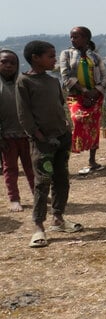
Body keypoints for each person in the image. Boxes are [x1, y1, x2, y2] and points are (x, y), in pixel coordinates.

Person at [16, 41, 80, 247]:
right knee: (42, 183)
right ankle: (38, 226)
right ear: (36, 57)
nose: (54, 60)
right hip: (42, 142)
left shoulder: (53, 81)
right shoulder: (24, 82)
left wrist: (66, 131)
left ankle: (58, 218)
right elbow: (24, 116)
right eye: (50, 56)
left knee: (62, 180)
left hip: (61, 138)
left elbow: (60, 107)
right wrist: (41, 138)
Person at [60, 26, 106, 174]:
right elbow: (65, 76)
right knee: (78, 119)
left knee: (94, 126)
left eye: (76, 37)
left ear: (86, 39)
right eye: (72, 37)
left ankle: (92, 160)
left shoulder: (95, 57)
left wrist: (95, 92)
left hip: (95, 96)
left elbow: (104, 76)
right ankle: (65, 159)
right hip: (76, 95)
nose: (72, 40)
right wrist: (85, 91)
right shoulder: (66, 54)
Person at [0, 49, 34, 212]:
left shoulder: (23, 82)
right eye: (4, 62)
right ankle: (14, 198)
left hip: (27, 134)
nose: (8, 66)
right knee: (10, 168)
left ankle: (38, 193)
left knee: (32, 166)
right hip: (6, 136)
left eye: (12, 63)